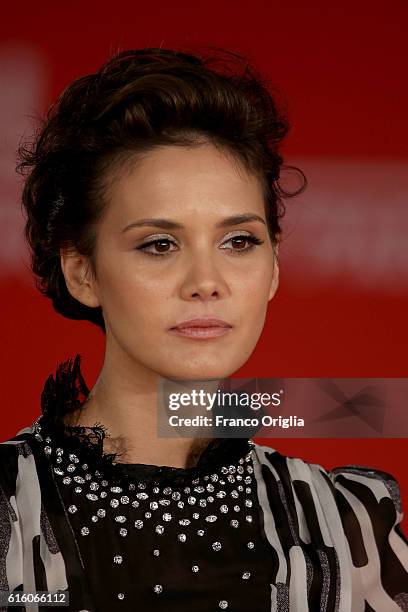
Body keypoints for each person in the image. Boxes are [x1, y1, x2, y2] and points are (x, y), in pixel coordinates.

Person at [0, 47, 407, 612]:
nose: (206, 282)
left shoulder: (344, 526)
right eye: (159, 245)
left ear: (274, 267)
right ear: (82, 271)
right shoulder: (9, 516)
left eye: (239, 241)